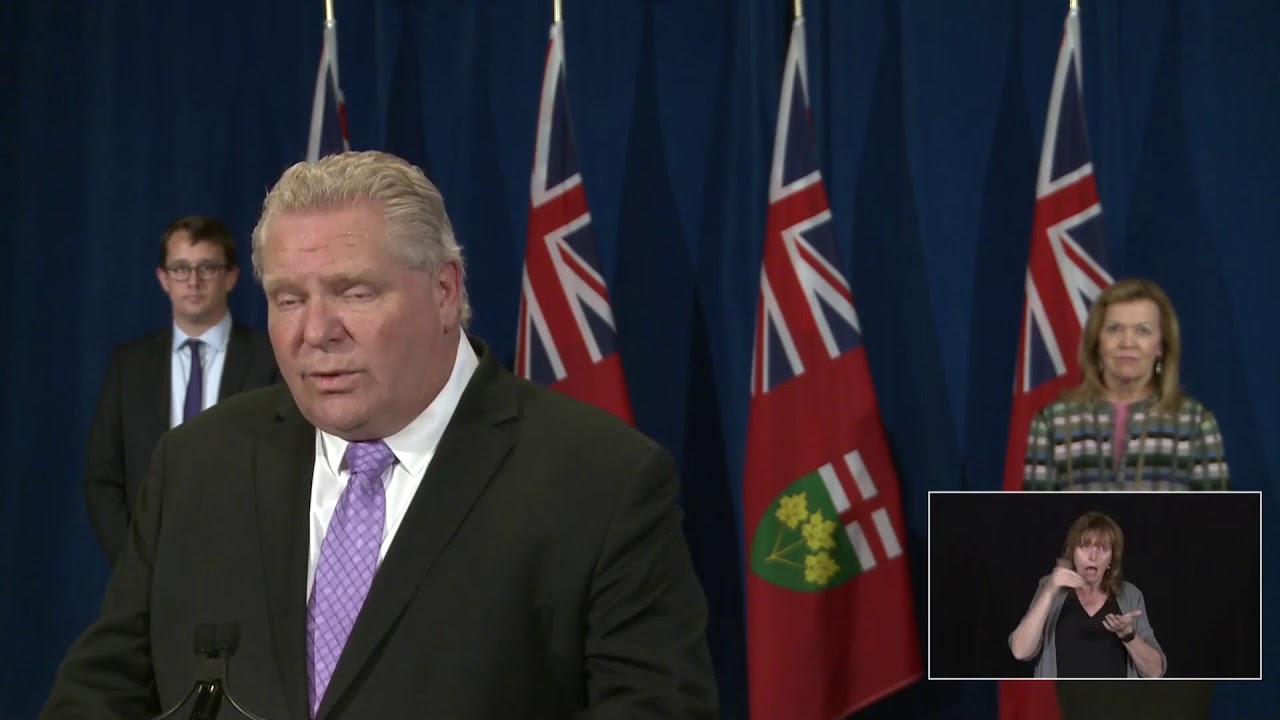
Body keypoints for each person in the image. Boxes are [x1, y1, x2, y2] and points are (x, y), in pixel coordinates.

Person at [42, 151, 718, 719]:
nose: (315, 332)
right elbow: (100, 693)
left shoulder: (602, 482)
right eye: (288, 299)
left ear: (445, 291)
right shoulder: (197, 463)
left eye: (355, 292)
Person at [84, 215, 278, 565]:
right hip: (149, 564)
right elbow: (103, 478)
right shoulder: (130, 365)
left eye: (207, 268)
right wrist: (135, 562)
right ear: (163, 278)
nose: (193, 281)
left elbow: (283, 469)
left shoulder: (270, 358)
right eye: (181, 269)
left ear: (231, 277)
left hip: (244, 562)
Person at [1023, 278, 1228, 490]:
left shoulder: (1195, 423)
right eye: (1114, 329)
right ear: (1097, 342)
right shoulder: (1052, 423)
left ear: (1160, 345)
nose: (1128, 342)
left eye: (1143, 331)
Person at [1009, 511, 1166, 678]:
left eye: (1103, 549)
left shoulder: (1130, 595)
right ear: (1073, 552)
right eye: (1085, 547)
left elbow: (1155, 672)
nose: (1093, 557)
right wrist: (1048, 592)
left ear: (1111, 559)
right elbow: (1020, 651)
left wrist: (1128, 635)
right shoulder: (1050, 586)